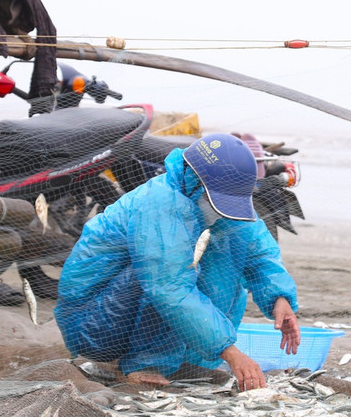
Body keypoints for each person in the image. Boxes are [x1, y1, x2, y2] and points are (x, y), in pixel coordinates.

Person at [54, 133, 301, 390]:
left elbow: (257, 249)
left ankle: (174, 357)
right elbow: (169, 288)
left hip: (138, 309)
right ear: (194, 178)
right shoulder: (159, 203)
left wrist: (279, 298)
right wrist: (230, 352)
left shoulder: (214, 203)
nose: (222, 207)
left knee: (227, 252)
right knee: (169, 274)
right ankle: (145, 363)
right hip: (95, 323)